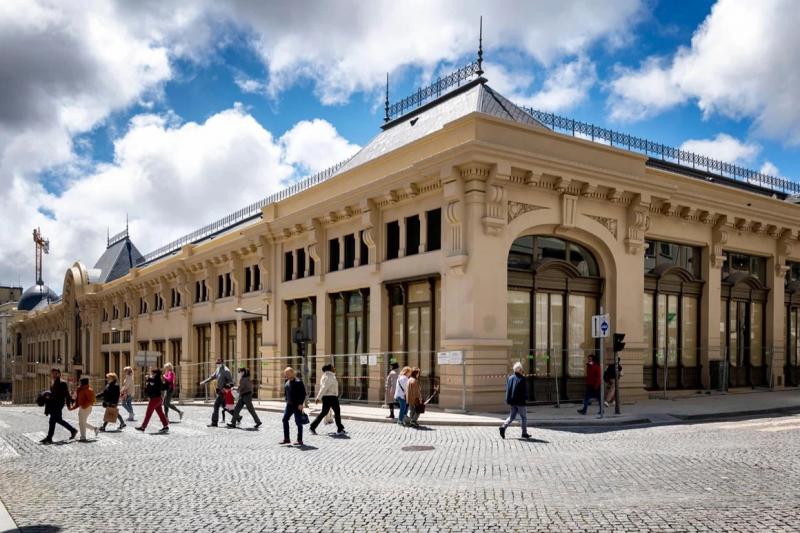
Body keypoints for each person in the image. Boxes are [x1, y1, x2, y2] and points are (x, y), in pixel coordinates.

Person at [40, 368, 77, 444]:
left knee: (53, 420)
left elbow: (67, 394)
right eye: (53, 373)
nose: (54, 375)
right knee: (56, 420)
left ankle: (49, 438)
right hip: (53, 404)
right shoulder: (53, 382)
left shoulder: (62, 383)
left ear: (59, 374)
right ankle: (73, 430)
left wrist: (69, 403)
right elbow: (53, 394)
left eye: (56, 373)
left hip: (58, 404)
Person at [309, 364, 345, 435]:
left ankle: (312, 427)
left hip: (327, 397)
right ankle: (340, 429)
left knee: (324, 412)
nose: (334, 368)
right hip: (331, 397)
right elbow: (324, 388)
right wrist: (318, 397)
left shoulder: (325, 376)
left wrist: (319, 397)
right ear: (330, 369)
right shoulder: (329, 377)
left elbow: (323, 387)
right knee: (337, 412)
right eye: (333, 367)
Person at [499, 362, 530, 439]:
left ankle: (503, 426)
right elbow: (524, 391)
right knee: (523, 417)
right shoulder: (522, 379)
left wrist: (508, 400)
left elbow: (508, 390)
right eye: (521, 369)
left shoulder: (510, 378)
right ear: (519, 369)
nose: (522, 370)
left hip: (512, 402)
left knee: (512, 416)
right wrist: (526, 398)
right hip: (520, 402)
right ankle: (524, 433)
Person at [200, 358, 233, 427]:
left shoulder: (226, 371)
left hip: (223, 392)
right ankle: (238, 417)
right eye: (217, 363)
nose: (218, 364)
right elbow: (212, 377)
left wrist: (224, 389)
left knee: (216, 406)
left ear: (223, 363)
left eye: (219, 363)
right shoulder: (218, 369)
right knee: (225, 406)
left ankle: (214, 422)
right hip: (219, 391)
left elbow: (231, 382)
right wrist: (204, 382)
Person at [136, 368, 169, 433]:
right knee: (160, 413)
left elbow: (153, 381)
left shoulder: (157, 379)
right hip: (158, 399)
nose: (151, 374)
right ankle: (165, 426)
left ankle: (143, 427)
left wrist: (148, 378)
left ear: (155, 374)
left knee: (148, 413)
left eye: (152, 373)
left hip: (154, 399)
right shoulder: (158, 379)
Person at [280, 367, 306, 446]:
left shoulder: (298, 382)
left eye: (287, 374)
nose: (286, 375)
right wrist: (286, 400)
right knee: (284, 419)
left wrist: (301, 404)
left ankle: (299, 440)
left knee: (298, 422)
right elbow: (286, 392)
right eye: (285, 374)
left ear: (292, 373)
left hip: (297, 405)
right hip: (289, 405)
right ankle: (287, 438)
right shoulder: (287, 382)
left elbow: (303, 394)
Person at [69, 377, 98, 441]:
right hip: (83, 407)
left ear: (82, 383)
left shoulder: (88, 390)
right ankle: (95, 429)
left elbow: (91, 400)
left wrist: (84, 406)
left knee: (82, 423)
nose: (79, 383)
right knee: (82, 422)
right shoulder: (80, 390)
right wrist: (73, 407)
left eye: (80, 382)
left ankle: (83, 437)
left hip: (86, 407)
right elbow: (78, 401)